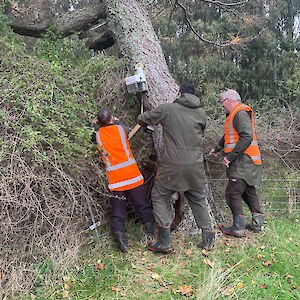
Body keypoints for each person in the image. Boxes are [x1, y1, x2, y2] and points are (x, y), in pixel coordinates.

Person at [137, 84, 216, 253]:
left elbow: (144, 118)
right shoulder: (201, 113)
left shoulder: (168, 109)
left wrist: (143, 117)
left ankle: (164, 241)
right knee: (198, 199)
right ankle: (208, 238)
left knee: (159, 196)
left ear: (179, 93)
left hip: (172, 167)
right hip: (194, 166)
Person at [92, 108, 155, 252]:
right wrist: (117, 121)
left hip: (116, 180)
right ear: (111, 119)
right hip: (132, 176)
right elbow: (126, 130)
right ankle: (152, 234)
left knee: (117, 212)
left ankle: (122, 243)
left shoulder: (97, 136)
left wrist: (95, 125)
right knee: (142, 206)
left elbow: (92, 130)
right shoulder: (121, 129)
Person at [209, 89, 265, 237]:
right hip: (248, 159)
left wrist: (229, 157)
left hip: (243, 160)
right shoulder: (234, 114)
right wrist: (217, 148)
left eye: (222, 102)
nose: (222, 106)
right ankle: (257, 223)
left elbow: (247, 137)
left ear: (228, 100)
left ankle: (238, 227)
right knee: (248, 190)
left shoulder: (239, 113)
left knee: (232, 193)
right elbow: (228, 134)